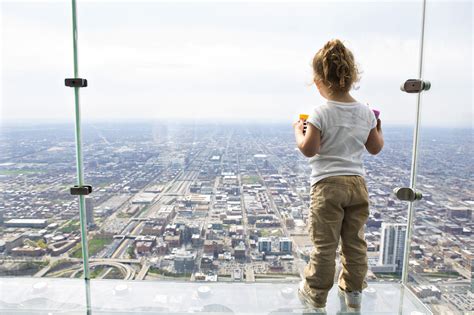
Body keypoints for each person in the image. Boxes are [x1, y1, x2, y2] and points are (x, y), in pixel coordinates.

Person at [293, 39, 384, 312]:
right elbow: (375, 147)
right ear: (352, 77)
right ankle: (354, 293)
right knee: (355, 243)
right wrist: (377, 126)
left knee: (325, 246)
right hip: (357, 185)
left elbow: (310, 150)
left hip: (327, 186)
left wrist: (299, 130)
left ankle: (315, 296)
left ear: (320, 81)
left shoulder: (321, 112)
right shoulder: (365, 112)